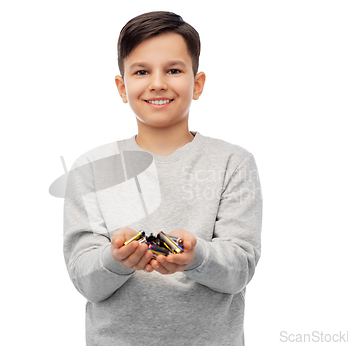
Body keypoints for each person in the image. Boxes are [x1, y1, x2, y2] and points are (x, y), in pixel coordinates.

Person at [63, 11, 262, 346]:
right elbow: (85, 280)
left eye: (173, 70)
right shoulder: (92, 168)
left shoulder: (233, 163)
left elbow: (240, 269)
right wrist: (115, 259)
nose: (158, 82)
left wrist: (196, 256)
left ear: (196, 84)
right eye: (142, 71)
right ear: (122, 87)